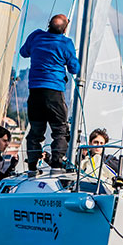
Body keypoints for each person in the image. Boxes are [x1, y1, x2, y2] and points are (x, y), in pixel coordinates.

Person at [20, 14, 80, 174]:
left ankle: (32, 168)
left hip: (35, 92)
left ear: (48, 24)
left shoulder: (36, 36)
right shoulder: (66, 43)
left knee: (35, 131)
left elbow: (23, 52)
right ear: (65, 29)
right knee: (60, 130)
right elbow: (74, 69)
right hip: (54, 93)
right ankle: (56, 166)